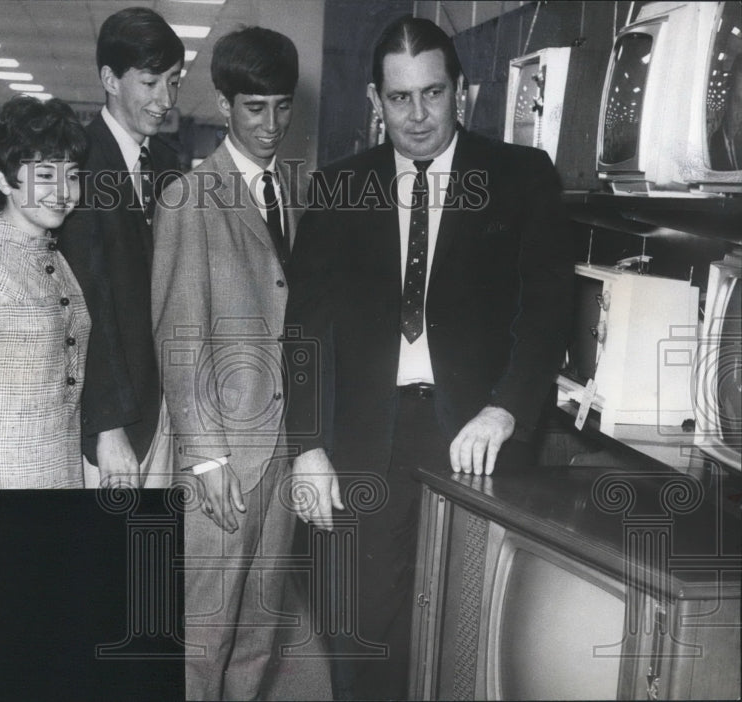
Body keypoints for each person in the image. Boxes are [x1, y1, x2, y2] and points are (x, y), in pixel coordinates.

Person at [284, 15, 573, 700]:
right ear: (374, 102)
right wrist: (307, 448)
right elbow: (305, 332)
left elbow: (548, 313)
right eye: (399, 98)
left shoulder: (522, 177)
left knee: (471, 638)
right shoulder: (337, 188)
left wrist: (506, 410)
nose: (417, 115)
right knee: (358, 635)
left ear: (462, 94)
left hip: (479, 445)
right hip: (362, 443)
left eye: (433, 94)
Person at [152, 27, 302, 700]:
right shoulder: (191, 197)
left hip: (283, 452)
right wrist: (206, 458)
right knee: (203, 638)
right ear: (222, 104)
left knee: (259, 636)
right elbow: (177, 334)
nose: (270, 125)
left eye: (282, 106)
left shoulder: (295, 195)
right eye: (254, 108)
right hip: (224, 460)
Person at [57, 6, 184, 488]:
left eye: (173, 81)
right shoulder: (78, 166)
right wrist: (106, 426)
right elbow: (86, 304)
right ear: (110, 79)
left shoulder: (170, 165)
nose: (165, 99)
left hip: (161, 411)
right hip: (106, 423)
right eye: (150, 82)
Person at [0, 96, 90, 489]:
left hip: (58, 474)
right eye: (44, 176)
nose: (63, 191)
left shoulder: (52, 256)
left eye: (72, 175)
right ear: (4, 180)